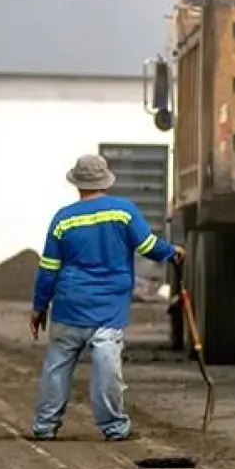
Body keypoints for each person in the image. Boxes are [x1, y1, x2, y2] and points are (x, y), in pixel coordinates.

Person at [29, 154, 184, 441]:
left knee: (57, 367)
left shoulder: (63, 219)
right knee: (106, 369)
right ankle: (113, 427)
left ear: (77, 184)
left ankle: (45, 426)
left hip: (69, 306)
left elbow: (48, 269)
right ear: (106, 181)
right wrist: (172, 252)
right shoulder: (123, 212)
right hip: (108, 311)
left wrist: (39, 307)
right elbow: (149, 246)